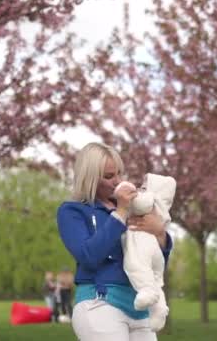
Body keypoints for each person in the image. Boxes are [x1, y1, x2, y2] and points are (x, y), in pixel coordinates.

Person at [57, 142, 173, 341]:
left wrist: (160, 234)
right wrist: (120, 213)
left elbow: (153, 262)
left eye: (119, 173)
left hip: (140, 305)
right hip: (100, 302)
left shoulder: (135, 209)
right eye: (109, 176)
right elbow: (88, 256)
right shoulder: (72, 211)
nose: (117, 181)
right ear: (90, 178)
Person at [117, 173, 176, 331]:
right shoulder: (162, 207)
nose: (139, 189)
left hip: (143, 247)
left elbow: (139, 204)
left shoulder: (150, 199)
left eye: (144, 186)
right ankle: (159, 308)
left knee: (135, 266)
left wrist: (124, 191)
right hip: (155, 252)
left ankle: (147, 291)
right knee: (155, 280)